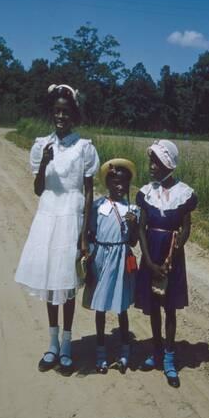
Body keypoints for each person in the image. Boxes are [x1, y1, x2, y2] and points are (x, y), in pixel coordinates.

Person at [15, 84, 99, 376]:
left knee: (67, 282)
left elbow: (89, 191)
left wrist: (86, 229)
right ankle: (51, 343)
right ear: (52, 114)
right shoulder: (42, 146)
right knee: (51, 282)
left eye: (66, 111)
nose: (61, 116)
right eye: (57, 111)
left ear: (74, 115)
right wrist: (44, 164)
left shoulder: (84, 147)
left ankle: (67, 344)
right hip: (48, 216)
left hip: (71, 217)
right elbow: (38, 189)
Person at [134, 140, 197, 388]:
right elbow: (141, 228)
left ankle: (169, 357)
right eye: (151, 161)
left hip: (171, 257)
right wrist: (148, 261)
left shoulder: (184, 193)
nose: (151, 166)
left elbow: (186, 227)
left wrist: (175, 249)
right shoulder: (146, 192)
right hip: (151, 253)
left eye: (157, 162)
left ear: (168, 165)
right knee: (154, 305)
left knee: (169, 306)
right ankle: (156, 349)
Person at [83, 159, 139, 374]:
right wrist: (87, 255)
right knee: (101, 305)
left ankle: (125, 352)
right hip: (101, 258)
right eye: (115, 182)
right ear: (107, 183)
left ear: (128, 184)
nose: (119, 186)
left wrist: (133, 224)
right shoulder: (97, 206)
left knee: (122, 306)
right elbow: (89, 233)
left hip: (121, 258)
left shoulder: (132, 209)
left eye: (124, 182)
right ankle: (100, 353)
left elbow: (133, 241)